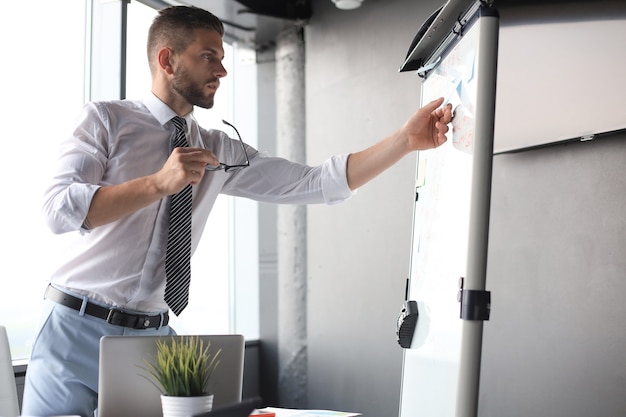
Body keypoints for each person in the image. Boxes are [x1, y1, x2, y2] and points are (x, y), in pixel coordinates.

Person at [21, 5, 452, 417]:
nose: (222, 71)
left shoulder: (219, 150)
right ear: (167, 60)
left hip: (151, 338)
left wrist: (404, 141)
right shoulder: (106, 120)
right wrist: (158, 183)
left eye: (224, 58)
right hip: (74, 325)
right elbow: (58, 210)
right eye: (208, 56)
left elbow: (315, 183)